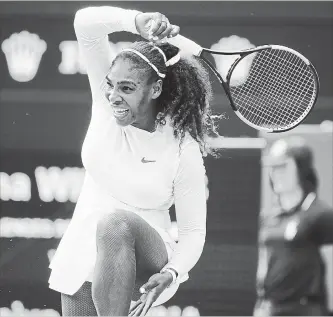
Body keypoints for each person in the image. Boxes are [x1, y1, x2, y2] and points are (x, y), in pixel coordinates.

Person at [48, 5, 219, 317]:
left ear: (155, 89)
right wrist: (136, 22)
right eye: (111, 84)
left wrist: (174, 272)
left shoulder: (182, 147)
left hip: (148, 257)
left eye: (126, 88)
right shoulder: (105, 104)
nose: (113, 95)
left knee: (115, 223)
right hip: (83, 255)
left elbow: (194, 232)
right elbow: (84, 24)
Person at [254, 136, 333, 316]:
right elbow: (264, 266)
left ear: (301, 168)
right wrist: (260, 306)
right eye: (272, 167)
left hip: (307, 310)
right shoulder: (268, 217)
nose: (275, 173)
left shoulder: (322, 215)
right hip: (270, 310)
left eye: (282, 166)